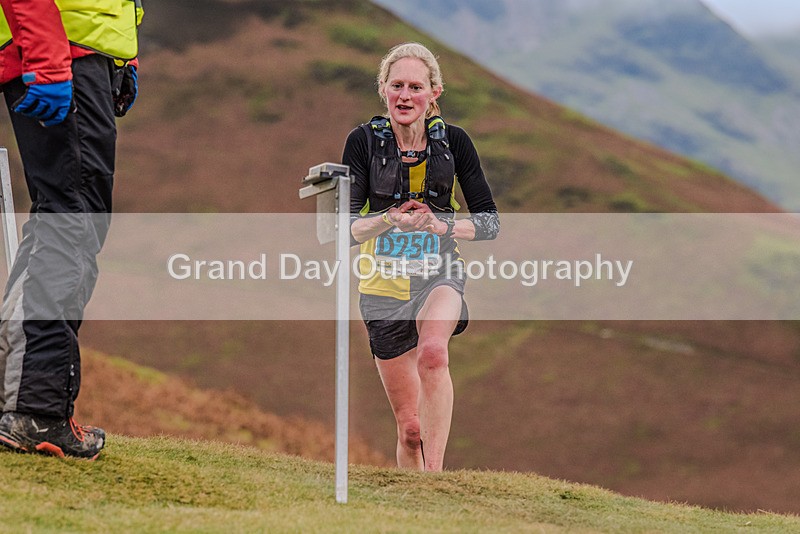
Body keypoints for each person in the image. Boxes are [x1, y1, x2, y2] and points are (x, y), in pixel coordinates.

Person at [343, 42, 499, 471]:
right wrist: (388, 219)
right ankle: (414, 497)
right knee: (411, 432)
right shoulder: (362, 142)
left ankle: (436, 483)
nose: (405, 96)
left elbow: (489, 224)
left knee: (434, 352)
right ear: (383, 90)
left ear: (435, 93)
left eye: (416, 86)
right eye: (397, 86)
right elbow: (345, 229)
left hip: (439, 273)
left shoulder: (455, 143)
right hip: (382, 286)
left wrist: (441, 225)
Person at [0, 0, 143, 459]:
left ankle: (19, 400)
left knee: (65, 221)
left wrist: (123, 60)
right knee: (70, 224)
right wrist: (46, 60)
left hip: (77, 54)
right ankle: (34, 409)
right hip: (58, 52)